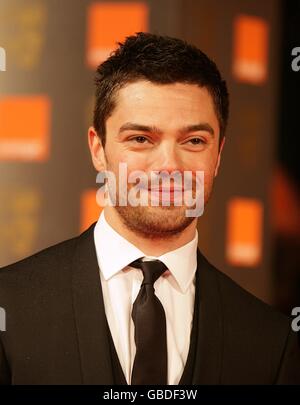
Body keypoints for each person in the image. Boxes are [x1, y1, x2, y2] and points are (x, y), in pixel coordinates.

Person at [0, 32, 299, 385]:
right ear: (98, 149)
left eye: (194, 141)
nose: (169, 166)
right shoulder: (10, 307)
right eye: (141, 139)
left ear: (218, 156)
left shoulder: (271, 342)